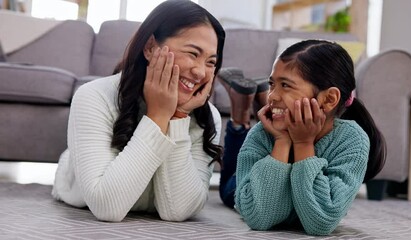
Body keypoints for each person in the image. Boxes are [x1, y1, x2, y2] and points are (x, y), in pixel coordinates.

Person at [52, 0, 225, 222]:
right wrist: (158, 115)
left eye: (211, 62)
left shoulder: (207, 115)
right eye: (192, 53)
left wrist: (177, 116)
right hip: (79, 185)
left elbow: (178, 211)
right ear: (151, 47)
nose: (200, 72)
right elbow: (107, 207)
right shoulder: (93, 95)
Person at [219, 39, 386, 235]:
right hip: (252, 180)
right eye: (271, 84)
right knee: (228, 190)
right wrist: (281, 141)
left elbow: (320, 223)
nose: (272, 96)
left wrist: (303, 144)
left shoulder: (352, 140)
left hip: (267, 173)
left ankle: (243, 115)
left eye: (286, 85)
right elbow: (259, 218)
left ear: (329, 99)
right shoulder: (263, 133)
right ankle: (240, 119)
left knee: (229, 188)